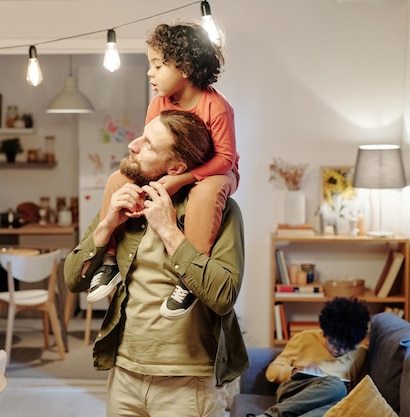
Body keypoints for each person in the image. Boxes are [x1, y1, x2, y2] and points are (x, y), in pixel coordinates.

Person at [64, 110, 248, 417]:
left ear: (176, 166)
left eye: (148, 145)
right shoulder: (125, 198)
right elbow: (73, 280)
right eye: (141, 135)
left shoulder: (220, 209)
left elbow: (224, 296)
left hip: (188, 382)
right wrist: (106, 226)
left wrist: (169, 231)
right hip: (124, 373)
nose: (133, 145)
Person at [87, 22, 240, 321]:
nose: (149, 72)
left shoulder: (217, 107)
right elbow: (150, 151)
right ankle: (109, 261)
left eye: (158, 65)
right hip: (170, 170)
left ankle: (190, 276)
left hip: (213, 172)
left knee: (206, 192)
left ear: (184, 67)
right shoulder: (158, 104)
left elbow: (224, 159)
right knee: (117, 178)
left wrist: (181, 180)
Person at [252, 297, 370, 417]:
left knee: (339, 406)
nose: (338, 350)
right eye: (333, 342)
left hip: (327, 403)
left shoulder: (361, 354)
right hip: (295, 392)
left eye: (346, 346)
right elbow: (272, 372)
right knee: (337, 386)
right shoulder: (304, 338)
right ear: (325, 332)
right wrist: (295, 371)